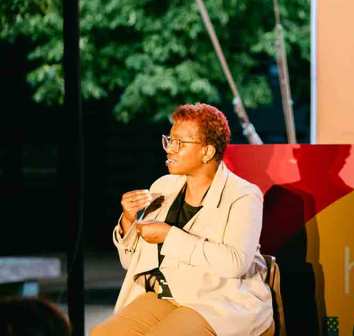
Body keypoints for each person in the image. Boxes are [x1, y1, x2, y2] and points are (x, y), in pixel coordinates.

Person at [92, 103, 273, 336]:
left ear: (207, 152)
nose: (170, 149)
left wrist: (169, 236)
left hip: (219, 302)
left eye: (180, 143)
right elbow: (131, 262)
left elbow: (235, 262)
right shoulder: (164, 187)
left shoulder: (243, 195)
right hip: (170, 295)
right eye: (169, 140)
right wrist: (129, 220)